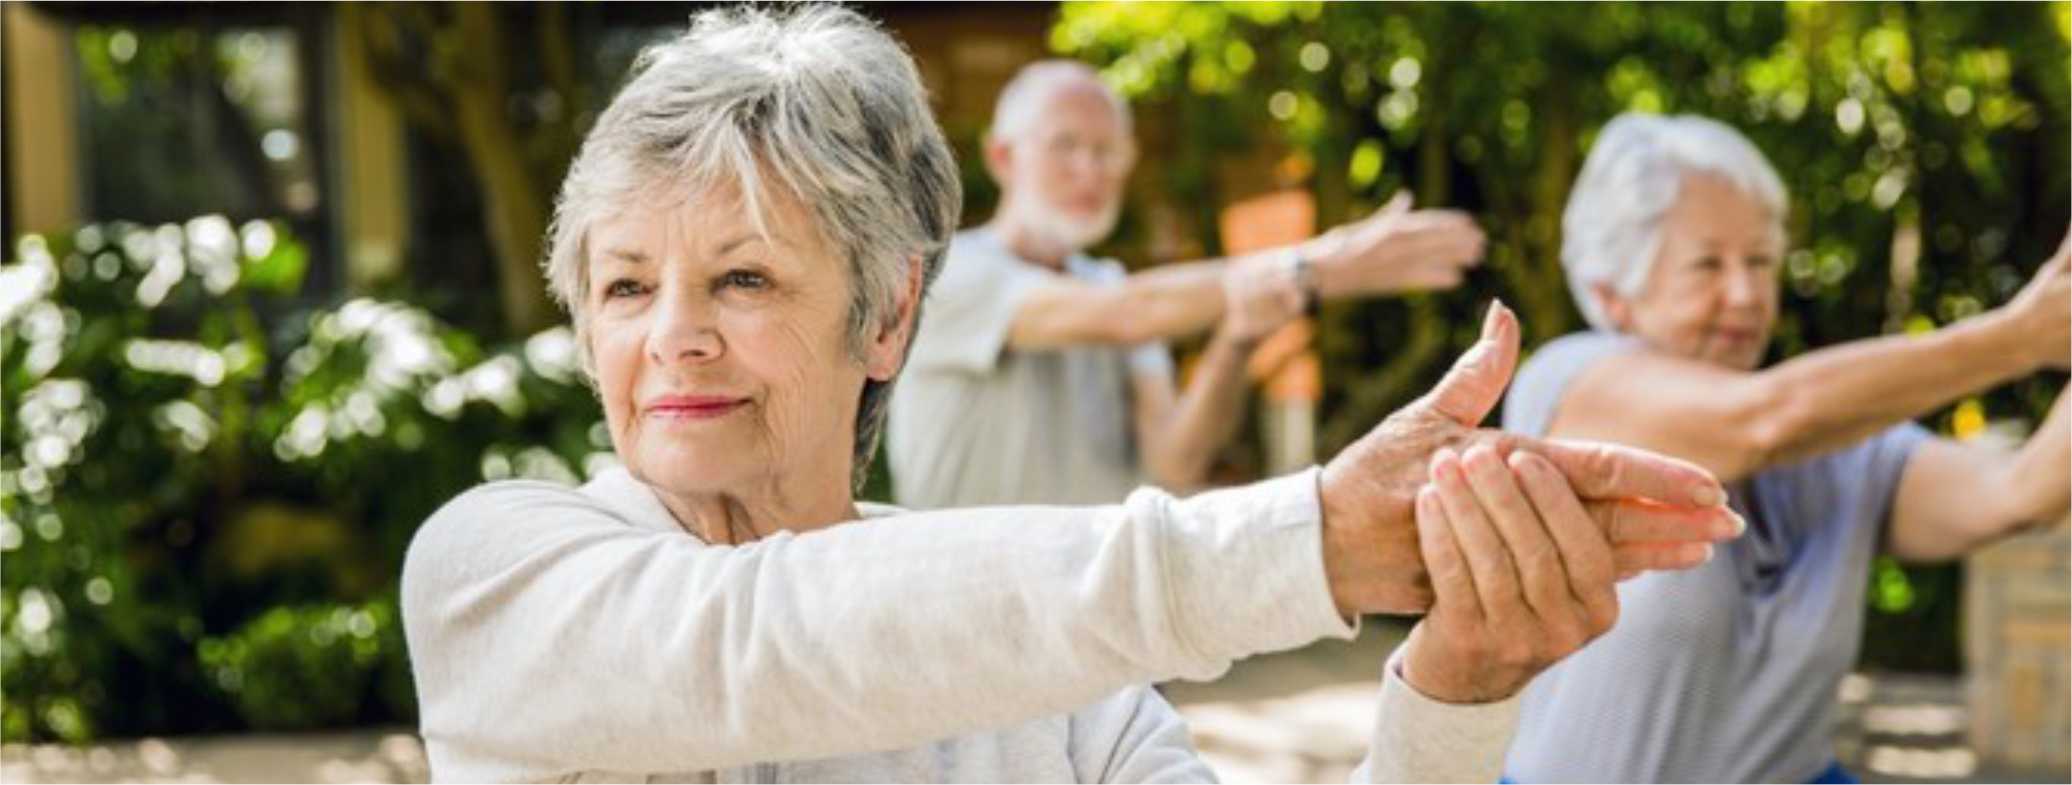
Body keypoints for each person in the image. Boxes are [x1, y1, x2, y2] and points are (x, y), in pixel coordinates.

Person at [401, 9, 1743, 782]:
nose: (674, 337)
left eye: (743, 279)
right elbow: (762, 638)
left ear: (886, 316)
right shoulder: (492, 574)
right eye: (628, 288)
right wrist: (1314, 542)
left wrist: (1456, 684)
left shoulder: (1074, 706)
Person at [1498, 112, 2071, 783]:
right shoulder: (1569, 384)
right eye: (1708, 264)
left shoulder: (1844, 444)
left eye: (1761, 261)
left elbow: (2020, 492)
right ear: (1612, 294)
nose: (1745, 293)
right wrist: (2021, 337)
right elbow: (1762, 421)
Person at [886, 59, 1488, 509]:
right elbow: (1127, 314)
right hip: (966, 617)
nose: (1089, 169)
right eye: (1065, 145)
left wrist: (1237, 340)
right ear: (1002, 157)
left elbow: (1175, 460)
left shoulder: (1111, 282)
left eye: (1107, 151)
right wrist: (1321, 265)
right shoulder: (952, 272)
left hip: (1091, 628)